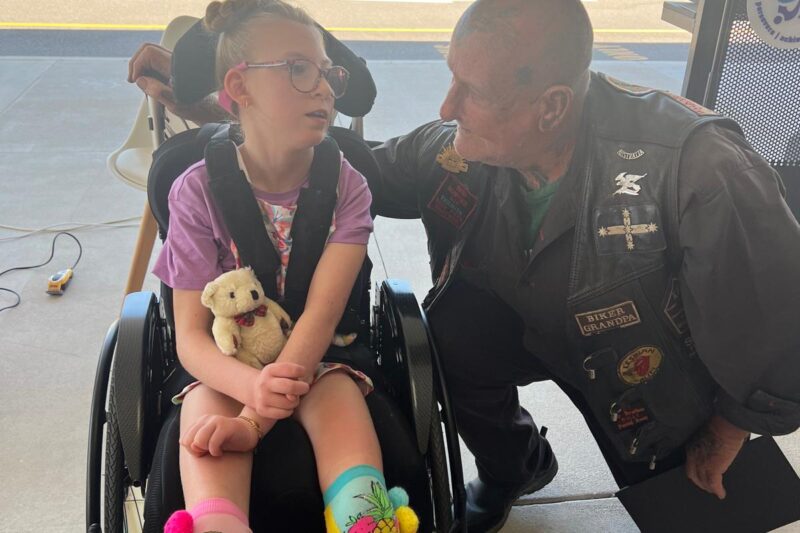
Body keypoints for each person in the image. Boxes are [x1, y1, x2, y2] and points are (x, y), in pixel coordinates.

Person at [132, 0, 800, 531]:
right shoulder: (454, 150)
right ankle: (515, 464)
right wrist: (227, 113)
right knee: (450, 323)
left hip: (646, 370)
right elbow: (327, 165)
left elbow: (777, 321)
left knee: (706, 508)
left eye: (468, 89)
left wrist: (729, 426)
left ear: (553, 106)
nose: (446, 106)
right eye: (449, 76)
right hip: (522, 322)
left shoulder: (696, 169)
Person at [151, 1, 418, 532]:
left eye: (326, 72)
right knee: (204, 418)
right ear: (240, 86)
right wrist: (248, 393)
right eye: (298, 69)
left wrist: (258, 417)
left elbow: (321, 315)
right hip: (225, 363)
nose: (323, 87)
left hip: (317, 357)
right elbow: (190, 337)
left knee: (339, 395)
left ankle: (363, 520)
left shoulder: (348, 186)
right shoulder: (195, 191)